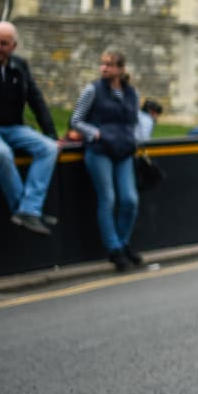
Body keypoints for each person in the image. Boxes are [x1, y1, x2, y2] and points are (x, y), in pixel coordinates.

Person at [70, 51, 143, 271]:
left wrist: (134, 139)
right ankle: (114, 248)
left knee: (130, 199)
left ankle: (122, 243)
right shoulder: (93, 90)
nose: (104, 68)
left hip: (123, 150)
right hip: (99, 150)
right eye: (102, 64)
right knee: (108, 198)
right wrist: (96, 134)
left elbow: (135, 121)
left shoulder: (131, 93)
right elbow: (76, 120)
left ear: (121, 69)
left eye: (109, 65)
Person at [0, 20, 59, 235]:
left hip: (14, 127)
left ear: (14, 46)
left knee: (49, 148)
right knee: (2, 154)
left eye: (3, 44)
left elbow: (36, 100)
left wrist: (51, 134)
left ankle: (28, 210)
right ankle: (28, 211)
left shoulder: (20, 66)